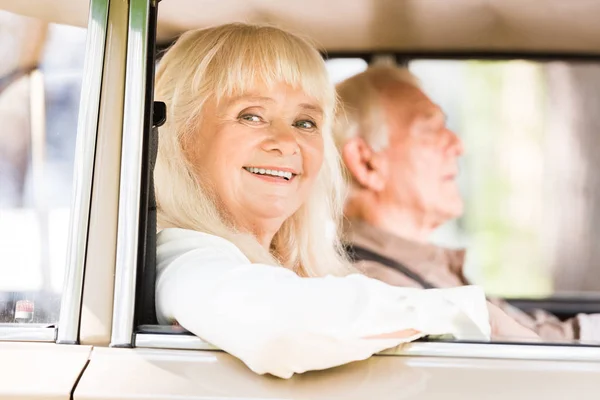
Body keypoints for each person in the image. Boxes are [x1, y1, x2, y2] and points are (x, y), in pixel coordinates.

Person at [153, 24, 536, 380]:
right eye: (251, 116)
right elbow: (277, 329)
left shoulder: (300, 270)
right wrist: (471, 313)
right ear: (180, 136)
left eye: (306, 123)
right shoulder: (181, 256)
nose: (287, 142)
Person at [334, 65, 600, 342]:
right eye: (429, 128)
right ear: (366, 163)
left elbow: (533, 335)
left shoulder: (425, 272)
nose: (458, 144)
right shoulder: (382, 293)